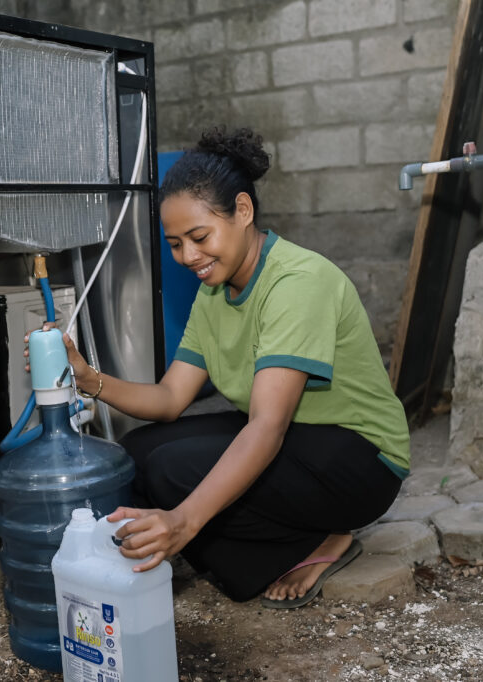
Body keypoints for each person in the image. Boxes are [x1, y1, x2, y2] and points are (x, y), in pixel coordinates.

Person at [53, 126, 410, 608]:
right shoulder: (214, 290)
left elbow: (266, 427)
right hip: (298, 441)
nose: (188, 257)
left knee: (178, 473)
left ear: (243, 211)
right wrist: (87, 379)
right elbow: (169, 399)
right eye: (175, 243)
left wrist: (184, 520)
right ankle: (196, 547)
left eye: (199, 237)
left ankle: (311, 544)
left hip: (359, 460)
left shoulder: (297, 282)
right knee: (136, 452)